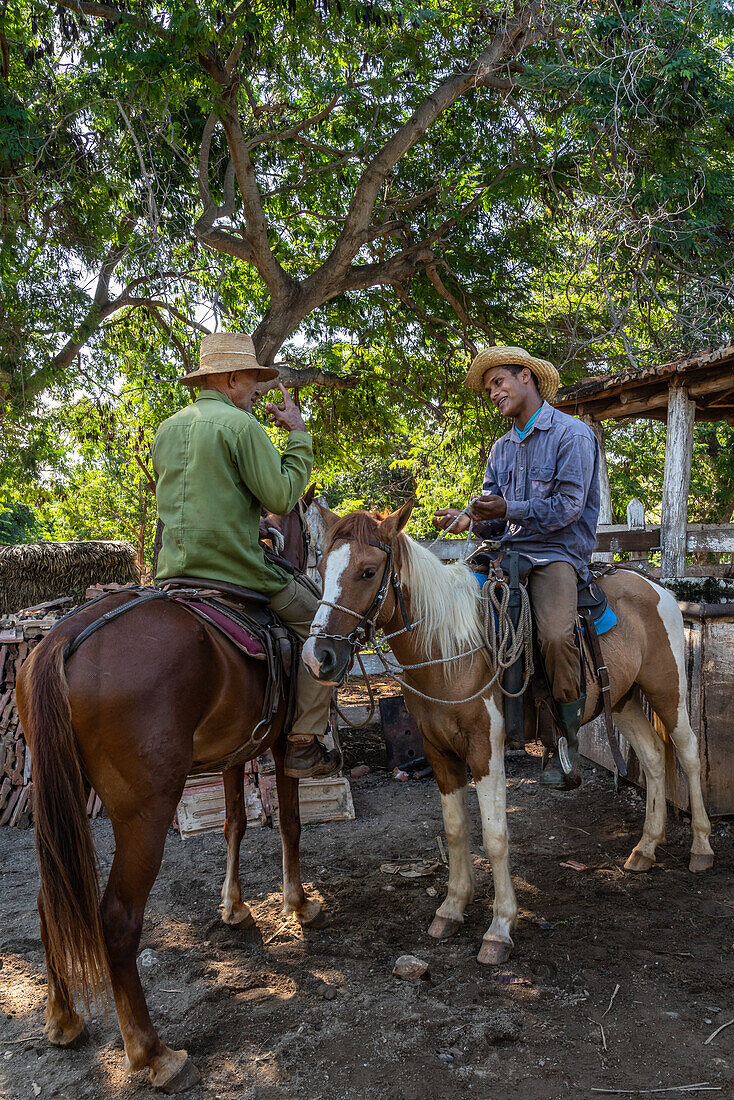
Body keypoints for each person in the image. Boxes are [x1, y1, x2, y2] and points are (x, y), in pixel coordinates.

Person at [152, 331, 339, 779]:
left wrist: (244, 520)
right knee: (323, 624)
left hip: (173, 575)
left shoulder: (168, 427)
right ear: (232, 378)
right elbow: (280, 496)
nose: (258, 392)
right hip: (235, 573)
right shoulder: (240, 425)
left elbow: (199, 503)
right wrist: (298, 434)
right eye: (254, 381)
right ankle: (303, 740)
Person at [433, 346, 600, 790]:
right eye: (489, 388)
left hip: (557, 554)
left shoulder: (572, 434)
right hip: (508, 554)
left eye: (498, 382)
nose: (492, 393)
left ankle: (564, 743)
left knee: (555, 635)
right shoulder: (501, 448)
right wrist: (469, 518)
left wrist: (511, 507)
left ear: (526, 376)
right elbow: (494, 512)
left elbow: (568, 507)